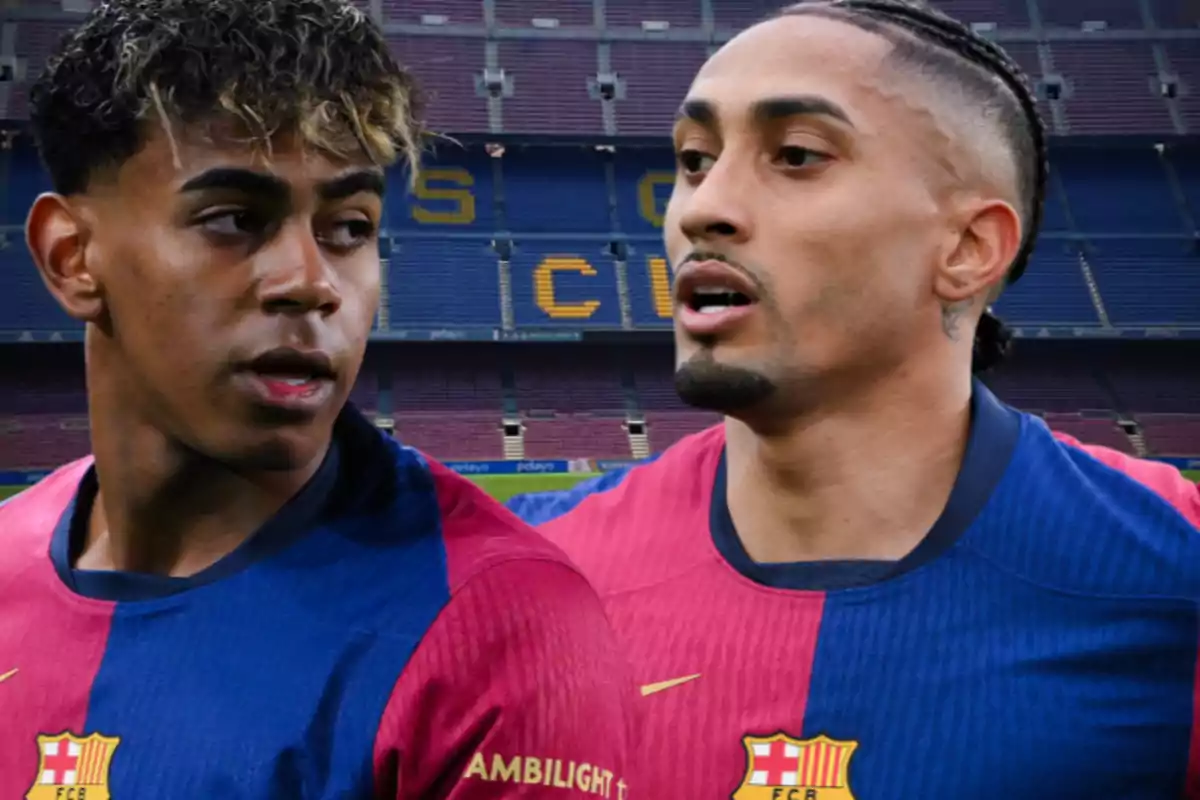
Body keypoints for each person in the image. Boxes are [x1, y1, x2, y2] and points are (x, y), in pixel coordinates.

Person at [507, 1, 1200, 796]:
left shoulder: (1170, 569)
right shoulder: (523, 578)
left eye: (796, 156)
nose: (701, 208)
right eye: (695, 160)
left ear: (969, 250)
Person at [0, 1, 635, 797]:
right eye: (233, 220)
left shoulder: (499, 621)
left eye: (348, 227)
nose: (310, 282)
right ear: (71, 259)